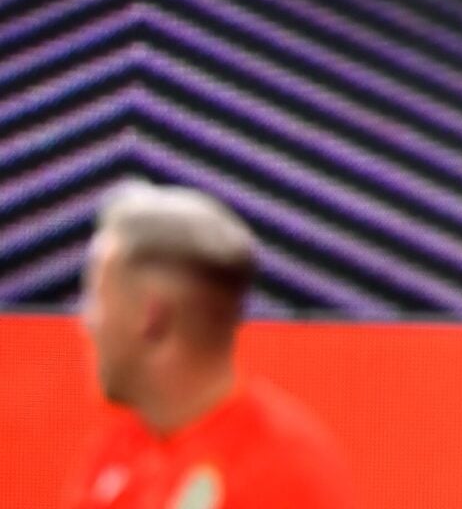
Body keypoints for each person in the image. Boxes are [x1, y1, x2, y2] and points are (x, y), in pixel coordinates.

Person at [64, 181, 358, 509]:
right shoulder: (117, 452)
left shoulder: (285, 475)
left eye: (98, 299)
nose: (86, 322)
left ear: (151, 316)